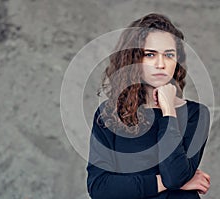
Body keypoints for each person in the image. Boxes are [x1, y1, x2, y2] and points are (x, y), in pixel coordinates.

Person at [86, 13, 211, 199]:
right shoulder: (109, 114)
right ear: (133, 59)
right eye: (150, 54)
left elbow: (175, 176)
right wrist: (162, 183)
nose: (161, 64)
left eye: (169, 55)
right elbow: (100, 188)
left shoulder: (196, 114)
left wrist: (168, 111)